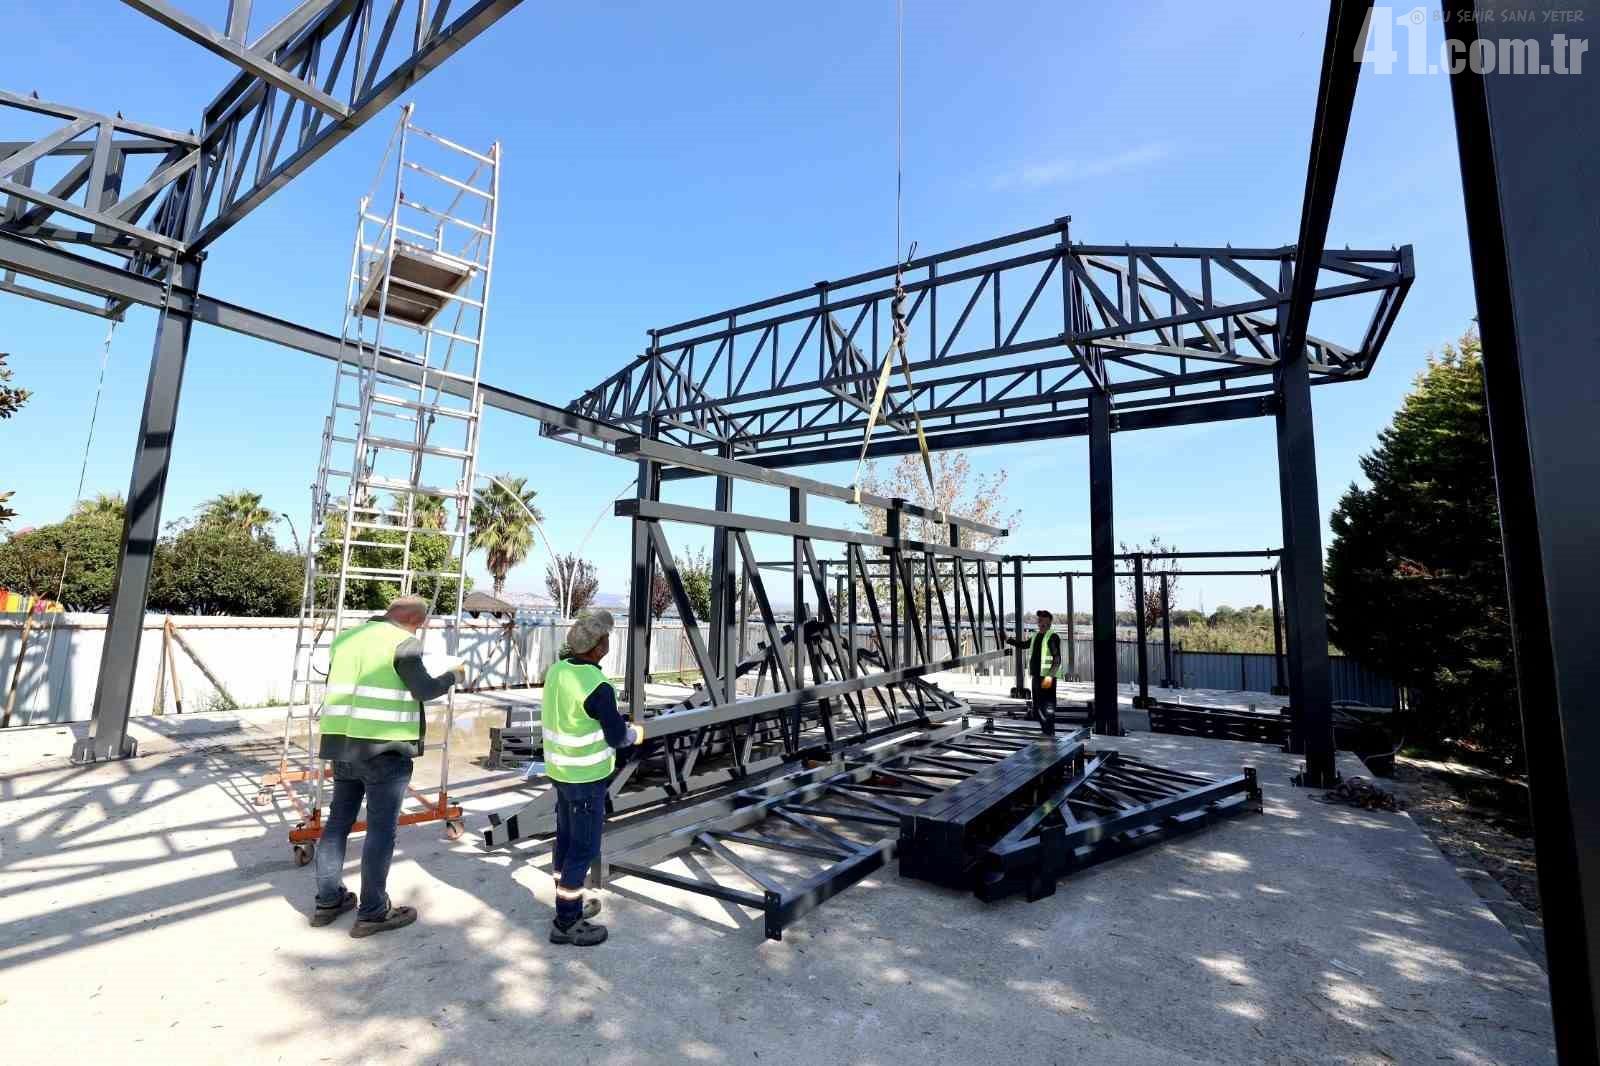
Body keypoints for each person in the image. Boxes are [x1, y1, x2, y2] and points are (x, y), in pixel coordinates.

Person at [310, 594, 464, 937]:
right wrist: (451, 676)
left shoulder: (346, 639)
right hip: (385, 749)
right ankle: (373, 912)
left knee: (337, 824)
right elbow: (423, 689)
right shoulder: (402, 642)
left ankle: (327, 901)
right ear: (415, 622)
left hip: (342, 744)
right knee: (380, 831)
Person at [541, 607, 643, 947]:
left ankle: (567, 903)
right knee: (583, 849)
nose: (608, 642)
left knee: (566, 842)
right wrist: (635, 734)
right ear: (598, 646)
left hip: (561, 773)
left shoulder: (557, 671)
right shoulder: (598, 686)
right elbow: (617, 737)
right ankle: (567, 923)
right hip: (586, 778)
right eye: (606, 638)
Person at [1006, 609, 1064, 734]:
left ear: (1047, 622)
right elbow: (1023, 645)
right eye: (1039, 620)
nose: (1039, 622)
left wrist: (1050, 677)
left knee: (1047, 705)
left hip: (1047, 678)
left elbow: (1057, 659)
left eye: (1041, 620)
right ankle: (1045, 729)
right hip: (1036, 677)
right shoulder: (1036, 636)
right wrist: (1008, 640)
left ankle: (1049, 730)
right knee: (1037, 706)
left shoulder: (1052, 637)